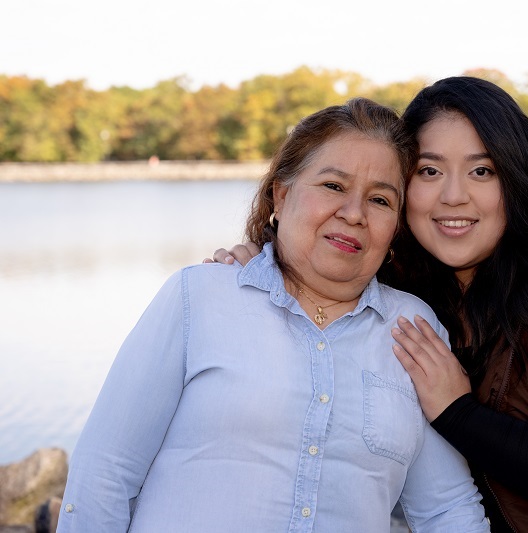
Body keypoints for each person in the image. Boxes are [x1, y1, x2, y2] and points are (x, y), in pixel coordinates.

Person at [213, 78, 528, 532]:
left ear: (516, 180)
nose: (453, 196)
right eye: (429, 170)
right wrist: (266, 264)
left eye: (482, 170)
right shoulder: (403, 287)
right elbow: (323, 260)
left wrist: (457, 412)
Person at [57, 98, 490, 533]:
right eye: (333, 187)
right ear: (281, 196)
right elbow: (105, 473)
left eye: (379, 200)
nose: (354, 214)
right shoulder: (200, 298)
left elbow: (445, 508)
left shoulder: (412, 327)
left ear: (396, 226)